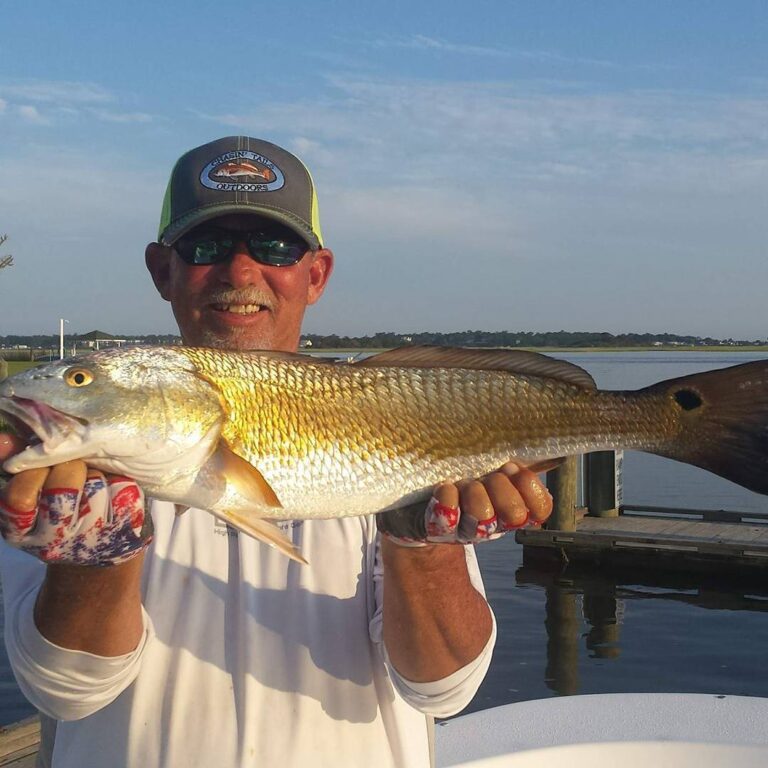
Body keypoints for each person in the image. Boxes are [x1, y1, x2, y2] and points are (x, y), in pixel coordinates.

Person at [0, 136, 552, 768]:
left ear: (315, 274)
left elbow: (443, 688)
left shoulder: (395, 423)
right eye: (205, 248)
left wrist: (419, 545)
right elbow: (65, 692)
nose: (240, 273)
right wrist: (92, 559)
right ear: (161, 270)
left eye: (274, 247)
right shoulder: (48, 480)